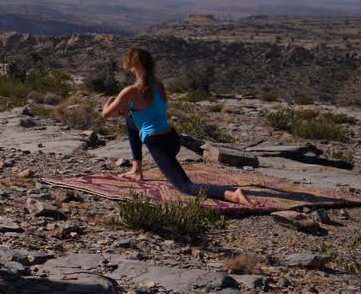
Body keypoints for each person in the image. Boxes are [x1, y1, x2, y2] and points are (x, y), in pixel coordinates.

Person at [100, 46, 256, 207]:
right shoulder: (158, 85)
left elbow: (106, 114)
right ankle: (136, 169)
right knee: (131, 121)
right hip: (172, 138)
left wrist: (110, 102)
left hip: (158, 143)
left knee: (185, 186)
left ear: (133, 67)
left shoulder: (130, 91)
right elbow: (149, 110)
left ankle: (233, 195)